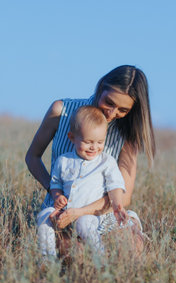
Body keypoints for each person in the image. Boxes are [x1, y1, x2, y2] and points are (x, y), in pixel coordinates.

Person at [25, 65, 156, 257]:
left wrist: (80, 212)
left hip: (102, 212)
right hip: (62, 213)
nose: (112, 113)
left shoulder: (128, 134)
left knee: (131, 249)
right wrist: (55, 192)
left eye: (123, 110)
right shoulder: (61, 111)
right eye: (109, 102)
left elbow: (124, 196)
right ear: (101, 86)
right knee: (77, 255)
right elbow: (32, 157)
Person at [37, 106, 129, 257]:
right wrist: (57, 196)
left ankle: (99, 257)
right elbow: (55, 184)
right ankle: (47, 257)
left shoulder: (107, 162)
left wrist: (117, 204)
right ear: (72, 137)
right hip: (64, 213)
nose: (94, 147)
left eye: (100, 142)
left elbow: (115, 186)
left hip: (91, 215)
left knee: (84, 223)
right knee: (45, 215)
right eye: (88, 142)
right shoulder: (64, 160)